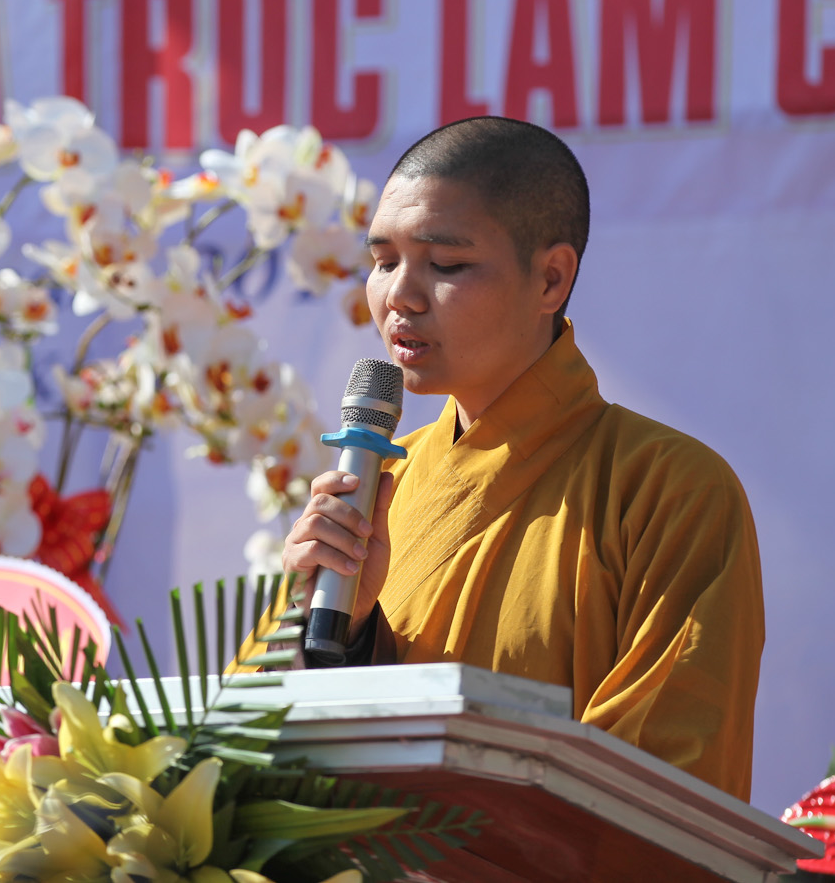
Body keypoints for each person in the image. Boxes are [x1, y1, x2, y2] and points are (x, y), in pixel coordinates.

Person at [280, 117, 764, 799]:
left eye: (445, 265)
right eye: (384, 261)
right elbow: (261, 757)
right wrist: (349, 632)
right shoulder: (376, 486)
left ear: (551, 279)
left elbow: (658, 789)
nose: (399, 296)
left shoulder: (669, 489)